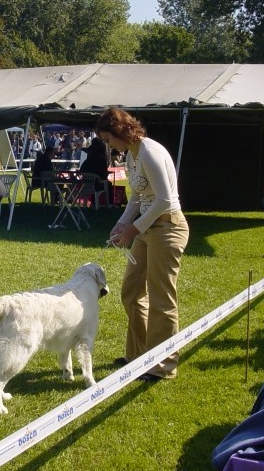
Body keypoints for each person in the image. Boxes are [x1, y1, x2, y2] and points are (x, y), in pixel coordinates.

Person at [96, 107, 189, 382]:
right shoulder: (130, 156)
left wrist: (133, 229)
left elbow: (164, 200)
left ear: (120, 132)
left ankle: (163, 366)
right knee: (131, 292)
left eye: (108, 139)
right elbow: (137, 196)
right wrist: (122, 224)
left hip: (168, 227)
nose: (108, 145)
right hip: (146, 230)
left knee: (162, 299)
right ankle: (138, 357)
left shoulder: (149, 151)